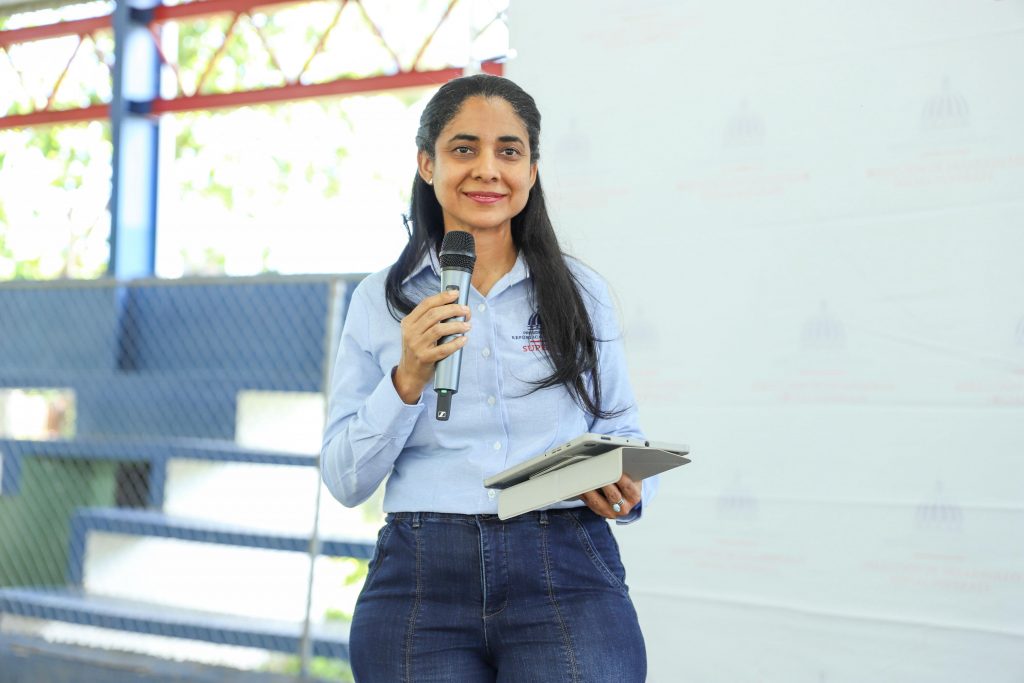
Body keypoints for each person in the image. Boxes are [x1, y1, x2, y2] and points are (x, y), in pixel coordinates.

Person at [321, 73, 655, 683]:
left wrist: (629, 487)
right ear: (427, 163)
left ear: (531, 170)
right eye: (464, 148)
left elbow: (623, 431)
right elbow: (345, 480)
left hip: (565, 564)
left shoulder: (582, 294)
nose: (488, 170)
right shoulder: (379, 300)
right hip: (420, 576)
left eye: (509, 151)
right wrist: (407, 378)